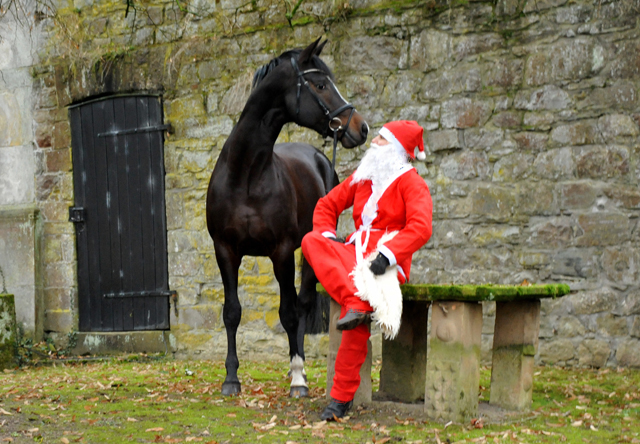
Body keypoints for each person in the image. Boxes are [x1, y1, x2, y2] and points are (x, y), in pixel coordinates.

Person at [301, 120, 433, 421]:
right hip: (353, 252)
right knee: (310, 241)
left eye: (382, 140)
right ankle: (356, 302)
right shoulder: (363, 177)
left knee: (359, 311)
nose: (374, 142)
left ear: (397, 149)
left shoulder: (412, 183)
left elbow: (421, 227)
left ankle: (339, 401)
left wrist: (388, 255)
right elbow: (326, 206)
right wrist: (326, 234)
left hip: (386, 261)